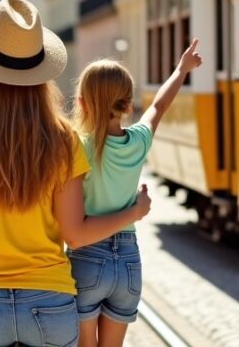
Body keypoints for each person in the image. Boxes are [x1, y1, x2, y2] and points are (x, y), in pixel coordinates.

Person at [0, 0, 152, 347]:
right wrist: (133, 212)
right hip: (49, 303)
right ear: (41, 76)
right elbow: (76, 234)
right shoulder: (63, 139)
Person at [69, 42, 201, 347]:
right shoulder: (139, 141)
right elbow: (158, 106)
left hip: (87, 258)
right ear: (128, 106)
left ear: (82, 104)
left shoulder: (78, 147)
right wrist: (182, 70)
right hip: (128, 260)